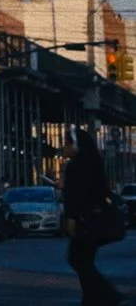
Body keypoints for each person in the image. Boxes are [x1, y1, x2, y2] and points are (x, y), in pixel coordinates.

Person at [64, 125, 124, 306]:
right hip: (92, 220)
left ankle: (106, 294)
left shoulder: (77, 166)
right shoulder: (91, 163)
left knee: (77, 259)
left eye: (67, 144)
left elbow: (77, 194)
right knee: (83, 260)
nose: (64, 148)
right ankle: (93, 297)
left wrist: (72, 217)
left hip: (85, 220)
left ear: (76, 145)